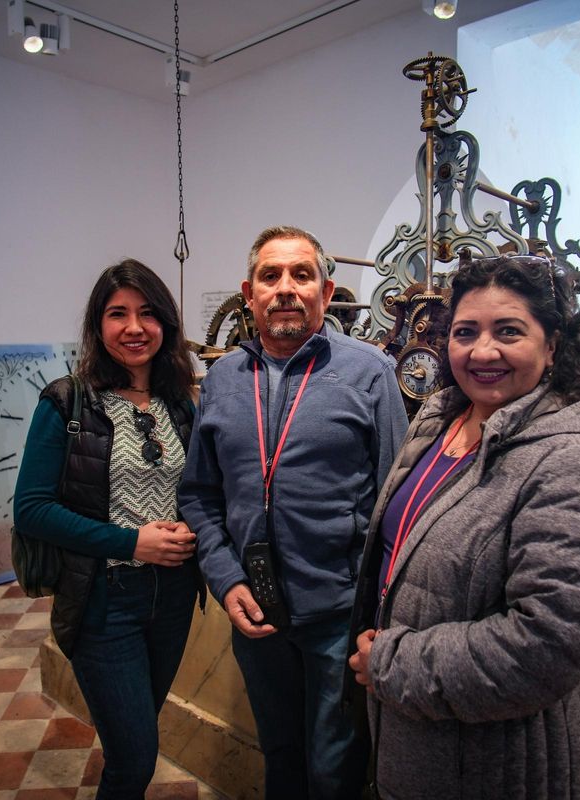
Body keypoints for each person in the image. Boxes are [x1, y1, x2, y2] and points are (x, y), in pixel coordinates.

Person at [347, 253, 580, 799]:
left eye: (509, 331)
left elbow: (548, 644)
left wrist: (390, 661)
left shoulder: (578, 459)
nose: (483, 351)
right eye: (465, 332)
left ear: (552, 344)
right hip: (426, 742)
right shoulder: (440, 420)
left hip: (511, 765)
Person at [180, 225, 409, 799]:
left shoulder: (370, 372)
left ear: (325, 293)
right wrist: (225, 576)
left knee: (334, 770)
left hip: (340, 617)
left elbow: (395, 502)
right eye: (271, 276)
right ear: (249, 293)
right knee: (278, 755)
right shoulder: (222, 380)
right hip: (254, 612)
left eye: (301, 275)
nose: (286, 288)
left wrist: (381, 615)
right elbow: (199, 495)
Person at [14, 259, 201, 800]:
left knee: (139, 736)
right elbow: (32, 508)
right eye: (117, 314)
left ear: (166, 323)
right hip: (103, 601)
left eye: (147, 313)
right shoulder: (67, 401)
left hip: (173, 597)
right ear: (98, 326)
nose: (134, 327)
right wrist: (132, 541)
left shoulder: (181, 402)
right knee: (134, 757)